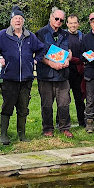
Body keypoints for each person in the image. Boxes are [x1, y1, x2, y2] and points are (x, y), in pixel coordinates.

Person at [0, 5, 45, 145]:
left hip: (26, 78)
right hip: (9, 77)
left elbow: (41, 49)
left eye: (20, 18)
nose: (18, 21)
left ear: (23, 21)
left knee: (23, 108)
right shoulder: (3, 36)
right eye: (15, 18)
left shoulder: (30, 36)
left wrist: (35, 60)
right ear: (11, 21)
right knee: (7, 106)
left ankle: (22, 134)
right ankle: (3, 135)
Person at [36, 8, 74, 138]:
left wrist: (68, 60)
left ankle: (64, 127)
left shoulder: (66, 34)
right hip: (46, 74)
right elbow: (39, 55)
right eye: (56, 18)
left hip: (62, 75)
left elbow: (69, 51)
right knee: (47, 104)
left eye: (61, 20)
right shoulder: (40, 34)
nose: (58, 21)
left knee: (64, 103)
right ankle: (47, 128)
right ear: (51, 17)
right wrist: (51, 64)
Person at [66, 14, 86, 127]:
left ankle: (82, 122)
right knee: (64, 99)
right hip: (66, 71)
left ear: (78, 24)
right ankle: (63, 122)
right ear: (67, 24)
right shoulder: (63, 36)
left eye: (75, 23)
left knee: (79, 98)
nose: (73, 25)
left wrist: (79, 61)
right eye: (71, 23)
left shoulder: (82, 36)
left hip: (79, 72)